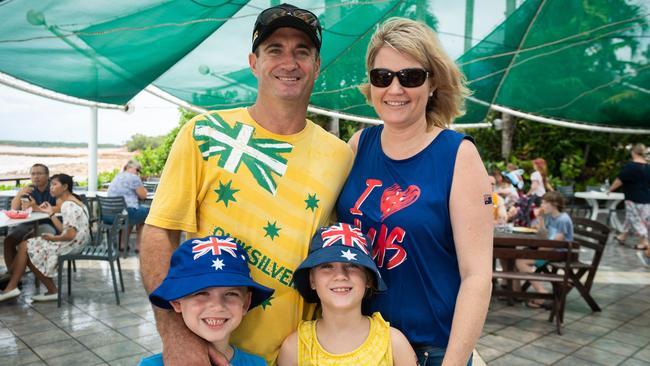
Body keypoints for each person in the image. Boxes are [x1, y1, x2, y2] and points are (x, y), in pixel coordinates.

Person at [140, 4, 353, 365]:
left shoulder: (340, 156)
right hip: (214, 350)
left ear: (317, 67)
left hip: (299, 353)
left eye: (302, 52)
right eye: (275, 50)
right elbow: (160, 233)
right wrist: (174, 334)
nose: (289, 63)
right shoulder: (205, 134)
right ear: (253, 63)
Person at [335, 18, 493, 366]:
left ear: (433, 81)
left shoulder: (458, 155)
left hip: (430, 352)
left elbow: (477, 276)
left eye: (410, 76)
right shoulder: (358, 145)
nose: (395, 89)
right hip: (359, 347)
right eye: (382, 77)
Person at [278, 223, 416, 365]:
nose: (340, 275)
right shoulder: (295, 348)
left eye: (352, 266)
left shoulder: (393, 343)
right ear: (312, 280)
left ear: (368, 279)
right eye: (327, 266)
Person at [139, 236, 273, 366]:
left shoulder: (258, 363)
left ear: (245, 303)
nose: (217, 306)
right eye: (202, 293)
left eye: (231, 293)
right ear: (176, 301)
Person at [0, 174, 90, 302]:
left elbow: (70, 235)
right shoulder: (74, 201)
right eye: (51, 184)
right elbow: (65, 230)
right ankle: (48, 290)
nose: (51, 188)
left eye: (54, 185)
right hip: (77, 243)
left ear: (65, 187)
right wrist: (51, 213)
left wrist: (53, 239)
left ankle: (11, 285)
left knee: (25, 246)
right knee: (26, 249)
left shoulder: (67, 205)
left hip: (72, 245)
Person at [515, 191, 573, 308]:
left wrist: (538, 250)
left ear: (555, 204)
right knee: (517, 255)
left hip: (558, 254)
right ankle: (516, 292)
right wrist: (540, 219)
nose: (542, 206)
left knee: (520, 262)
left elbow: (557, 242)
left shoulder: (563, 219)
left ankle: (541, 292)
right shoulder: (551, 217)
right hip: (549, 251)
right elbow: (544, 236)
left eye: (545, 203)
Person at [1, 163, 57, 282]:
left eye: (39, 173)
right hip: (28, 223)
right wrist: (20, 193)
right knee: (8, 241)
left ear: (47, 175)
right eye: (33, 174)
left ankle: (11, 275)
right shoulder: (29, 189)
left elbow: (59, 208)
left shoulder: (54, 188)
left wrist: (36, 207)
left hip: (49, 224)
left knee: (28, 242)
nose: (36, 177)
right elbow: (14, 209)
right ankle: (14, 276)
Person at [608, 143, 650, 256]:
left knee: (635, 219)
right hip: (646, 199)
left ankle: (644, 241)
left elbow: (620, 180)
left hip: (633, 198)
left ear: (633, 152)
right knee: (635, 218)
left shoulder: (630, 167)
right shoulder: (648, 167)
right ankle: (622, 236)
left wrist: (610, 189)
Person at [107, 159, 149, 252]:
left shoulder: (117, 176)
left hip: (110, 214)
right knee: (146, 214)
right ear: (129, 167)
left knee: (132, 213)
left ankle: (123, 244)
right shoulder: (133, 178)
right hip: (125, 213)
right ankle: (139, 246)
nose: (138, 173)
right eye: (137, 170)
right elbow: (143, 195)